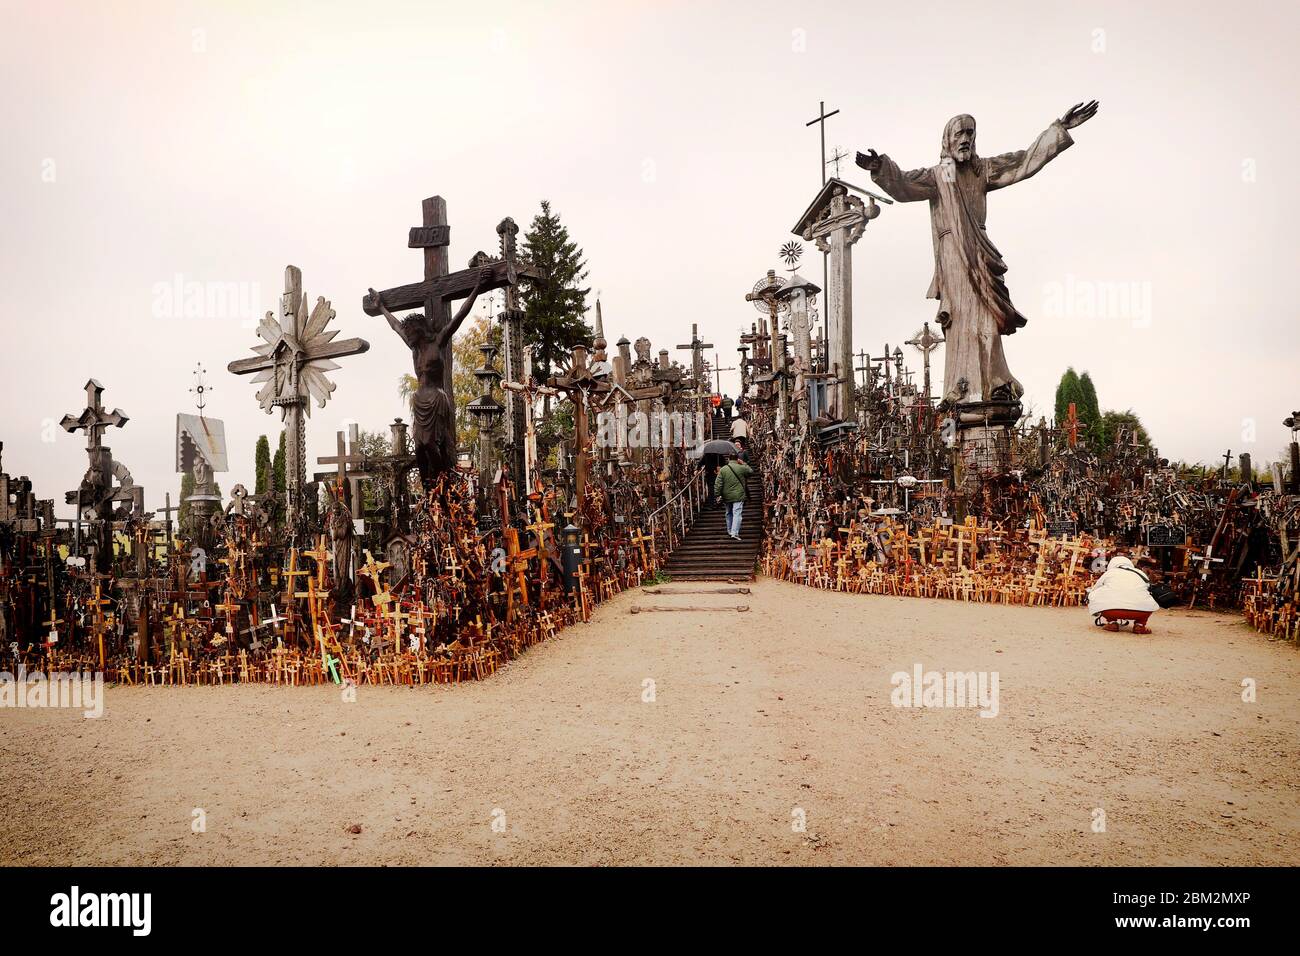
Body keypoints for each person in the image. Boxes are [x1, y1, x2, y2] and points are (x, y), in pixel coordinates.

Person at [1086, 555, 1159, 634]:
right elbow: (1147, 589)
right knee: (1148, 599)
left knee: (1096, 595)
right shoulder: (1140, 573)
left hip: (1111, 610)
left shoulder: (1109, 573)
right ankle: (1140, 625)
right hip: (1141, 611)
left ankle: (1112, 622)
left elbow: (1095, 589)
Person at [714, 453, 753, 541]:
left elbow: (718, 483)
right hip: (739, 495)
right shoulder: (741, 468)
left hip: (726, 495)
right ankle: (734, 533)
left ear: (728, 459)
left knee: (728, 513)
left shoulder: (723, 469)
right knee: (737, 513)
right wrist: (743, 463)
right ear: (737, 459)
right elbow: (751, 472)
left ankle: (729, 530)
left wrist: (717, 494)